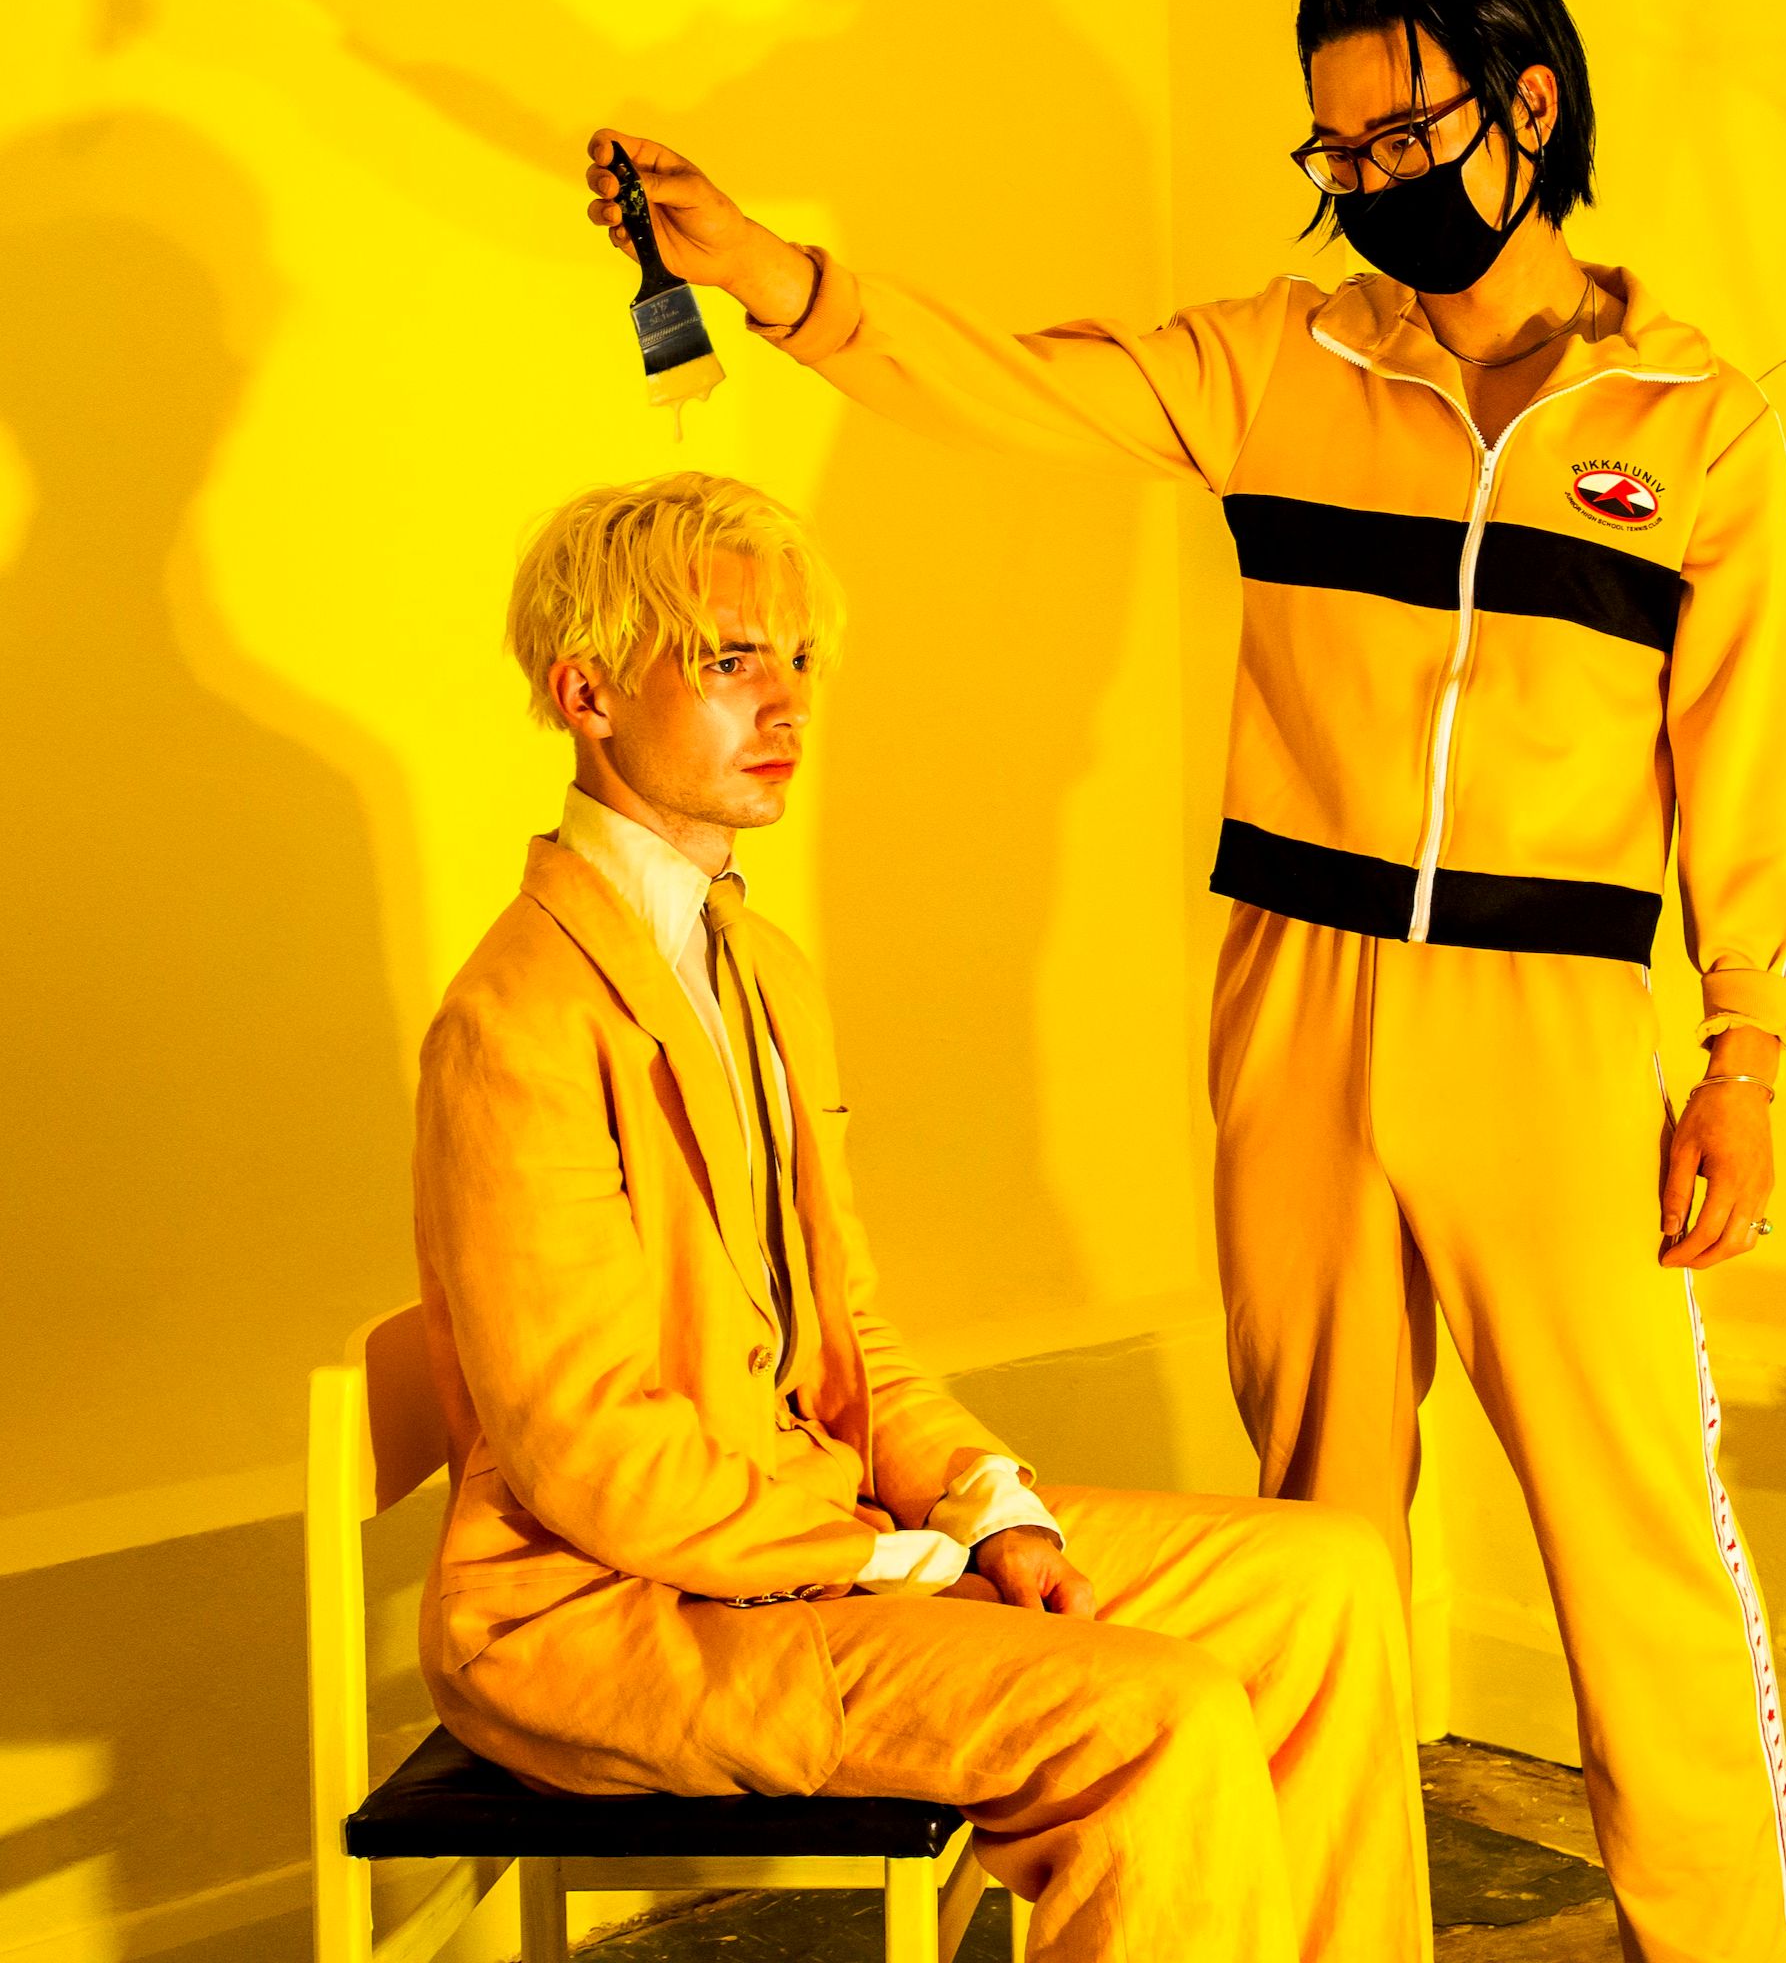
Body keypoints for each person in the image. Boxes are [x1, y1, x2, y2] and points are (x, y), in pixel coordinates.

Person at [583, 0, 1786, 1963]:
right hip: (1295, 1004)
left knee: (1635, 1543)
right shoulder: (1281, 363)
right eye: (1336, 151)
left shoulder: (1698, 424)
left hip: (1552, 1028)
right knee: (1317, 1533)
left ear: (1529, 106)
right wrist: (766, 273)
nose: (1371, 180)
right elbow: (1009, 381)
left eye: (1404, 133)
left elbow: (1746, 758)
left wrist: (1746, 1058)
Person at [412, 473, 1430, 1963]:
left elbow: (849, 1332)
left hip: (823, 1524)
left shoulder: (761, 968)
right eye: (729, 659)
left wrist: (986, 1505)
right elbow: (587, 1450)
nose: (787, 704)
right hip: (613, 1611)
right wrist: (887, 1556)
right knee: (1160, 1714)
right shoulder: (515, 1020)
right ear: (587, 694)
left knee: (1324, 1581)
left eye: (798, 659)